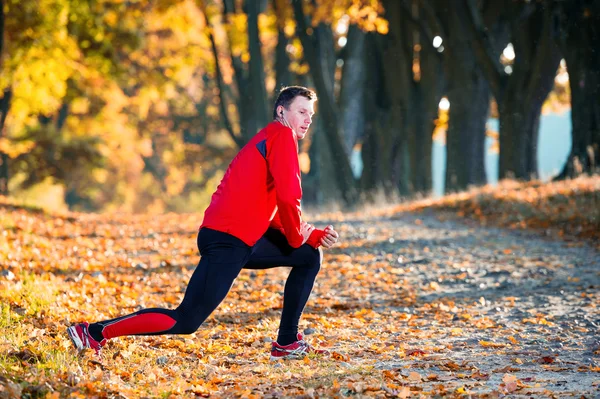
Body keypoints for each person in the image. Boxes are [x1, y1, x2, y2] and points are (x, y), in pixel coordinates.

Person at [67, 86, 340, 360]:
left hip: (244, 237)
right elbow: (289, 194)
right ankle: (93, 332)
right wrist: (296, 236)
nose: (308, 119)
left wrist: (311, 236)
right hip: (228, 239)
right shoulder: (282, 134)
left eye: (311, 114)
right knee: (186, 320)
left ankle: (287, 342)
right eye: (302, 112)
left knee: (308, 255)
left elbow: (275, 204)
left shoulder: (273, 136)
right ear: (281, 111)